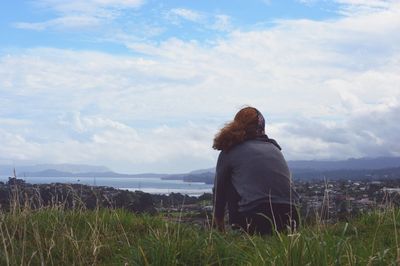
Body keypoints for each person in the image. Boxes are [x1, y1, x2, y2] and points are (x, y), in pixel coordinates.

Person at [212, 106, 299, 235]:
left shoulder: (229, 151)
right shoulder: (274, 147)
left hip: (255, 220)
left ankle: (235, 231)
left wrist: (218, 222)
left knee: (228, 181)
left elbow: (219, 193)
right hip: (291, 219)